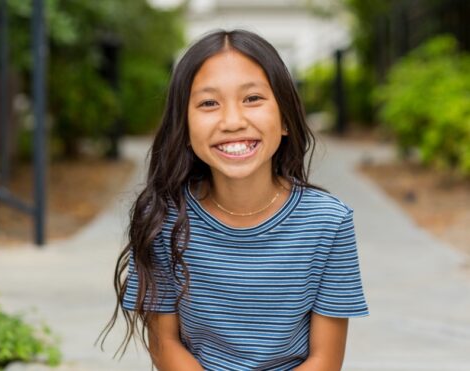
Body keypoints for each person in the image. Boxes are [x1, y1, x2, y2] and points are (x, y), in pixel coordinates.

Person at [100, 29, 369, 370]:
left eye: (253, 98)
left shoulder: (329, 222)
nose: (232, 122)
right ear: (184, 126)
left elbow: (325, 359)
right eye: (209, 103)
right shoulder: (164, 219)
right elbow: (165, 344)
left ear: (285, 118)